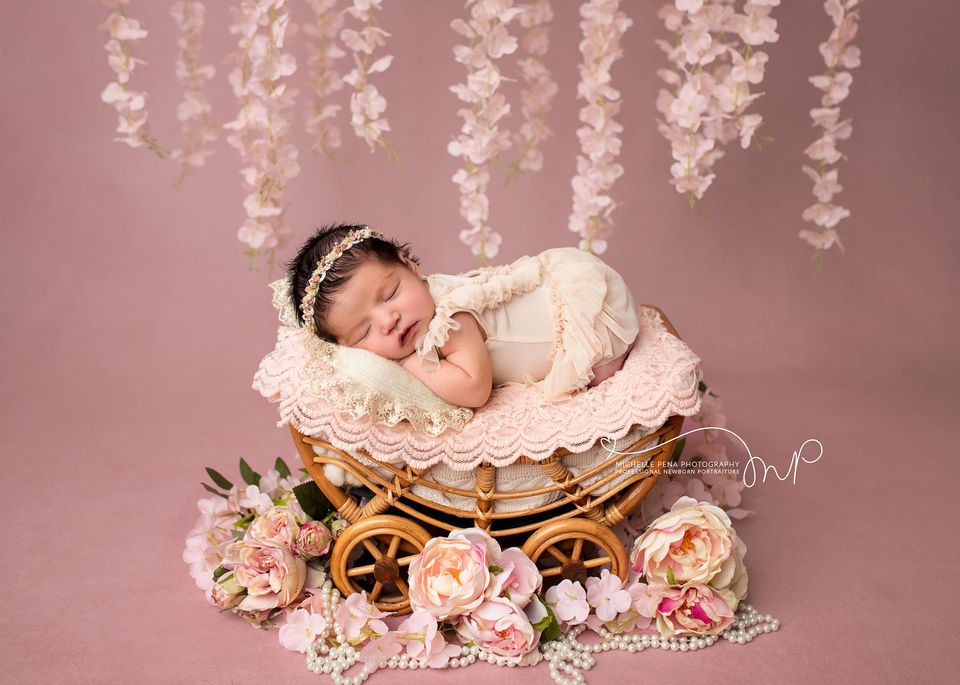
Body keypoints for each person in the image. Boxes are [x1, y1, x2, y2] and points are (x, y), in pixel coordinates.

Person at [288, 224, 640, 408]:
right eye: (364, 332)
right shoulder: (421, 304)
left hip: (589, 311)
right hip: (572, 291)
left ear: (409, 265)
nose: (388, 320)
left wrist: (410, 365)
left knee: (597, 365)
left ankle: (613, 355)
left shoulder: (449, 320)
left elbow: (474, 389)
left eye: (390, 294)